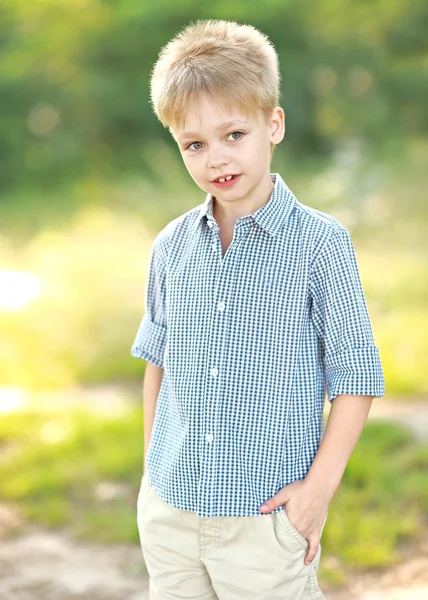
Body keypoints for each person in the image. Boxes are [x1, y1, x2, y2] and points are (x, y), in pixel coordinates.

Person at [131, 18, 385, 600]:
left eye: (233, 134)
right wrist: (152, 474)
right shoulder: (172, 245)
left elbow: (357, 375)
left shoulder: (320, 243)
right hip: (170, 515)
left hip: (265, 518)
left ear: (273, 125)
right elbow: (158, 362)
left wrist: (317, 492)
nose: (216, 157)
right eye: (194, 144)